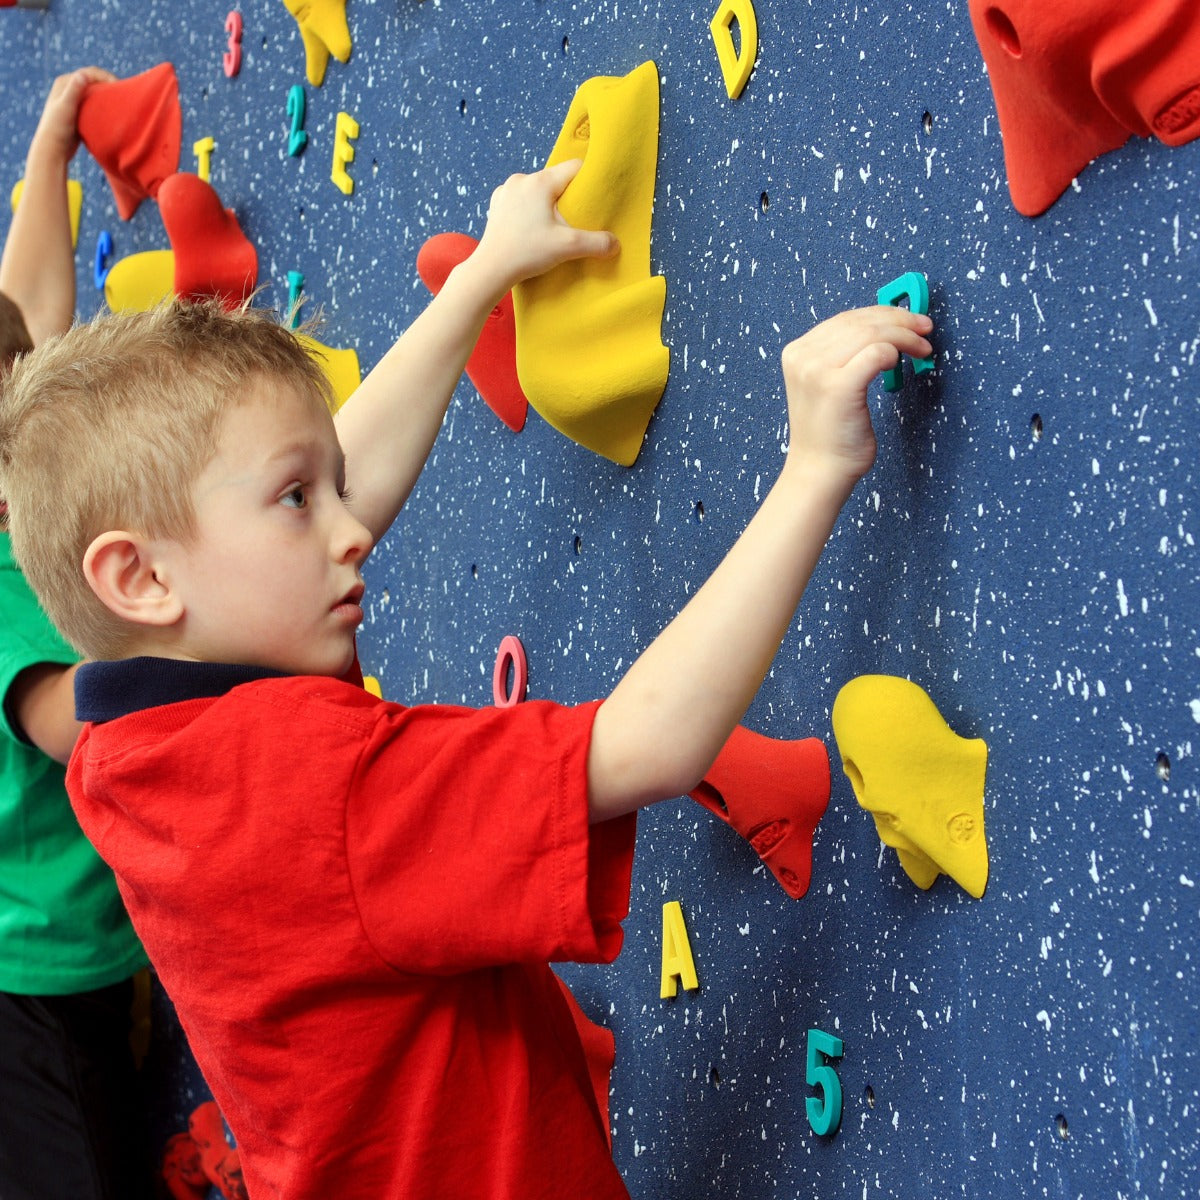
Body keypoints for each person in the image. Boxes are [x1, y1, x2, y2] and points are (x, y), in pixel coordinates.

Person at [0, 157, 934, 1198]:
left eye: (328, 489)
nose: (352, 527)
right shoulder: (304, 787)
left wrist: (484, 276)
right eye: (300, 500)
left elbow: (306, 480)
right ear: (137, 575)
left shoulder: (136, 737)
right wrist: (813, 466)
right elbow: (646, 743)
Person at [0, 68, 153, 1200]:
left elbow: (34, 313)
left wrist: (48, 158)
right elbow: (80, 723)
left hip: (74, 949)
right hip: (28, 976)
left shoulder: (20, 481)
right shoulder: (8, 574)